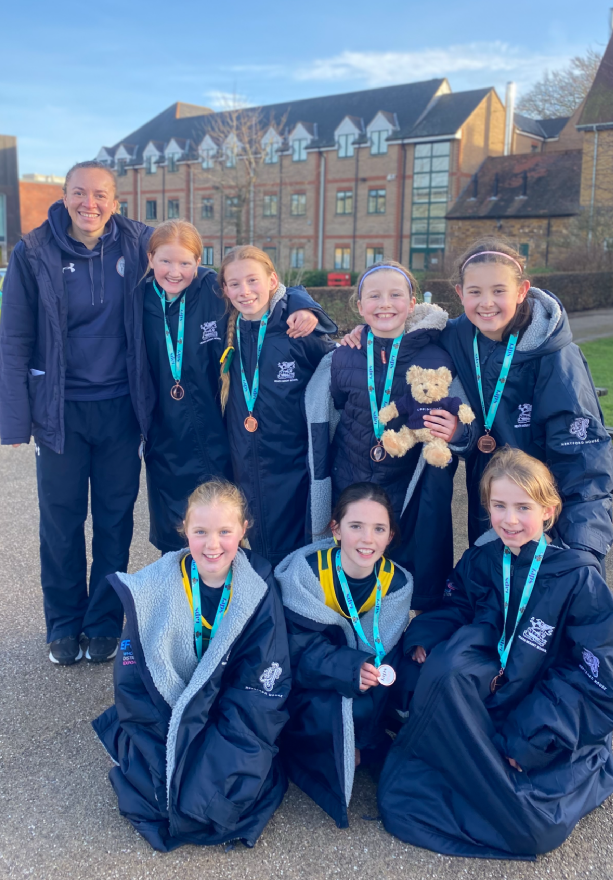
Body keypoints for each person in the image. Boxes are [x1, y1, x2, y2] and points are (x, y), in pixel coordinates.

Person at [377, 447, 613, 861]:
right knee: (436, 679)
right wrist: (424, 638)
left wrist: (529, 740)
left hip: (538, 711)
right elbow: (456, 605)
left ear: (549, 510)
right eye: (499, 506)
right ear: (486, 507)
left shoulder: (577, 578)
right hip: (493, 694)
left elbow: (608, 676)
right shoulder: (483, 559)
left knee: (529, 827)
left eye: (523, 507)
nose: (510, 519)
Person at [0, 160, 153, 666]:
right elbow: (15, 339)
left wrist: (296, 299)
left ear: (116, 200)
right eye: (80, 193)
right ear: (64, 196)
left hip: (121, 411)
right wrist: (17, 419)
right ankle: (63, 622)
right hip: (60, 412)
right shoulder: (34, 251)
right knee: (61, 523)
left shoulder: (140, 243)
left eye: (101, 194)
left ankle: (104, 621)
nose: (90, 204)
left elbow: (205, 269)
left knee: (114, 522)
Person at [92, 479, 291, 853]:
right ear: (184, 530)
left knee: (218, 795)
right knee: (163, 794)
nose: (212, 545)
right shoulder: (155, 587)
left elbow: (263, 684)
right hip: (170, 706)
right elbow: (133, 679)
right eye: (200, 532)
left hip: (231, 711)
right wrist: (175, 730)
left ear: (243, 530)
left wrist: (218, 736)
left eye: (224, 532)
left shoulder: (259, 588)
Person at [142, 222, 327, 554]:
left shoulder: (212, 293)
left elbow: (266, 289)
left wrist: (303, 302)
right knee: (179, 541)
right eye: (165, 261)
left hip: (223, 443)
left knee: (231, 536)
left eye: (185, 262)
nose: (175, 271)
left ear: (199, 262)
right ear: (150, 258)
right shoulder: (137, 299)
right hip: (166, 444)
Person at [305, 261, 475, 610]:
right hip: (351, 478)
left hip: (410, 488)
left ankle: (408, 638)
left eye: (396, 295)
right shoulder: (345, 355)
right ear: (360, 305)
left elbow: (465, 421)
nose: (385, 303)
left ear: (412, 303)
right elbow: (336, 408)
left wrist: (458, 432)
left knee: (407, 571)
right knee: (354, 566)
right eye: (375, 296)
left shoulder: (436, 355)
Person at [441, 237, 613, 564]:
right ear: (459, 293)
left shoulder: (557, 356)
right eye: (475, 292)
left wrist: (583, 547)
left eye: (499, 290)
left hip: (544, 511)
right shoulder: (455, 338)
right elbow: (397, 330)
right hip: (491, 505)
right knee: (493, 595)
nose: (486, 303)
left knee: (544, 604)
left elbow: (584, 457)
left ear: (522, 291)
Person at [275, 483, 412, 828]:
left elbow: (385, 649)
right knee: (321, 710)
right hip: (314, 678)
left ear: (390, 535)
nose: (367, 539)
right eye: (356, 527)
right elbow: (294, 649)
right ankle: (338, 750)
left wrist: (366, 670)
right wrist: (350, 668)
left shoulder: (397, 583)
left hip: (359, 677)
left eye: (379, 529)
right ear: (336, 529)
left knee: (391, 691)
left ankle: (363, 745)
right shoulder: (306, 573)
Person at [217, 245, 337, 566]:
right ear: (225, 290)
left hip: (293, 472)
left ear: (273, 280)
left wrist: (305, 305)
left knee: (294, 561)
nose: (245, 291)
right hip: (245, 469)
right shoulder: (222, 331)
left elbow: (339, 371)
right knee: (257, 559)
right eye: (235, 284)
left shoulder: (298, 330)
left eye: (253, 280)